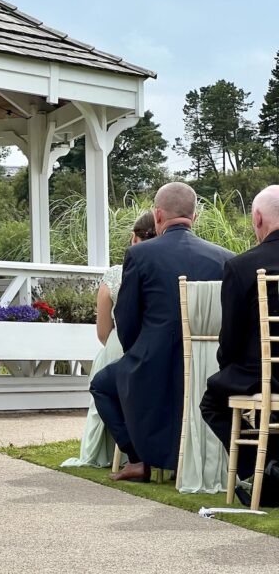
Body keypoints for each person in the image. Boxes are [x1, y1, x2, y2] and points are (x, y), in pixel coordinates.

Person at [91, 182, 233, 481]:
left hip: (152, 359)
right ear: (195, 216)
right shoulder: (225, 258)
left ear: (157, 216)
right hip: (209, 364)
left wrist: (137, 354)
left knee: (102, 384)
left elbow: (126, 318)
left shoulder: (141, 255)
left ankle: (138, 459)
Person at [201, 184, 279, 504]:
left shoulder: (242, 266)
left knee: (213, 400)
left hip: (261, 373)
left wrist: (227, 366)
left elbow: (230, 338)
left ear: (257, 218)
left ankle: (262, 473)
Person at [62, 210, 156, 468]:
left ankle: (114, 452)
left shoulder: (115, 274)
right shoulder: (163, 270)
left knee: (104, 386)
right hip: (154, 348)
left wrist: (114, 345)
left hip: (118, 345)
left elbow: (103, 330)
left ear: (132, 238)